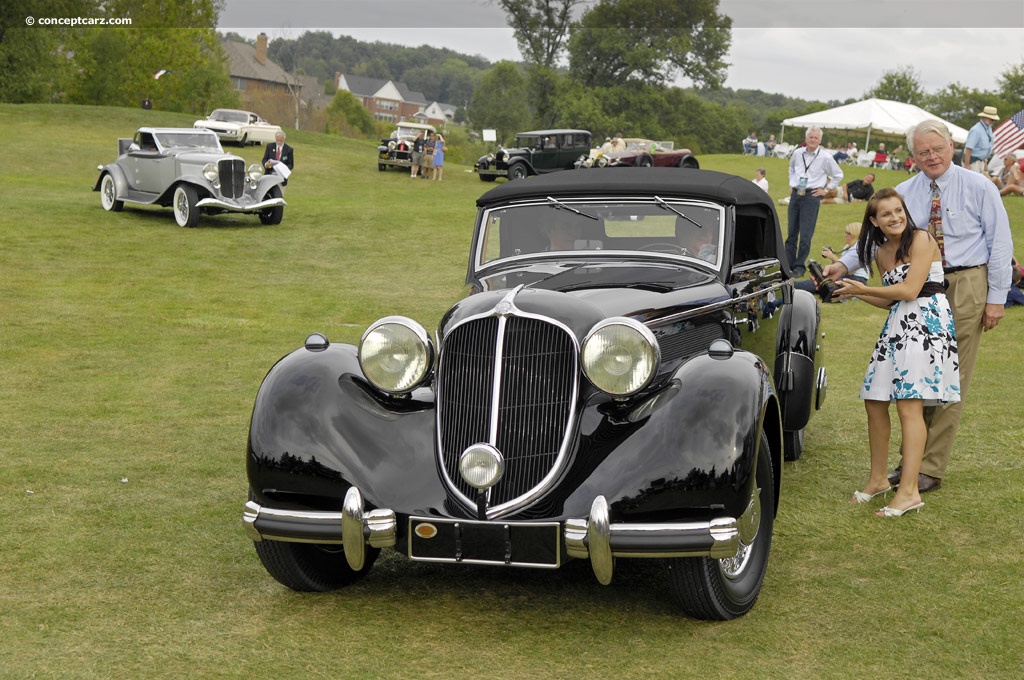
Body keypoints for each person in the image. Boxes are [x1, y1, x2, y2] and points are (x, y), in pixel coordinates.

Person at [825, 119, 1014, 493]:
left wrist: (995, 299)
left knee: (949, 380)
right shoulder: (905, 192)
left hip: (967, 282)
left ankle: (928, 467)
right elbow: (875, 236)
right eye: (923, 152)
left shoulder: (979, 186)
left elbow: (1001, 244)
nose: (932, 157)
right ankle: (909, 465)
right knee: (914, 377)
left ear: (951, 147)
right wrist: (844, 265)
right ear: (913, 156)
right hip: (920, 286)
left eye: (937, 149)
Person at [835, 189, 959, 517]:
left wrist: (864, 287)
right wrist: (854, 292)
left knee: (908, 406)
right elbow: (890, 299)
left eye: (898, 210)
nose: (895, 217)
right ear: (874, 221)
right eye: (886, 214)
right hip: (899, 323)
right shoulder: (881, 253)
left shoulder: (920, 239)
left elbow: (910, 290)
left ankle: (908, 491)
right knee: (874, 400)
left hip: (928, 323)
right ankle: (878, 480)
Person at [785, 126, 843, 277]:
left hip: (811, 197)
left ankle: (799, 266)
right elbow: (791, 169)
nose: (813, 140)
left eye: (816, 138)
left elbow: (838, 175)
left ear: (820, 140)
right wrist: (792, 183)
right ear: (806, 139)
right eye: (810, 137)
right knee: (791, 232)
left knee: (805, 235)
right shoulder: (798, 153)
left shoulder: (825, 157)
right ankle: (787, 263)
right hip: (796, 194)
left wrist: (826, 190)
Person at [795, 222, 869, 296]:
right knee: (823, 280)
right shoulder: (847, 247)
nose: (845, 235)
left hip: (857, 279)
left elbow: (851, 271)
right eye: (845, 233)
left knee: (828, 284)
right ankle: (796, 286)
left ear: (855, 235)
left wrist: (832, 256)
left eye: (848, 233)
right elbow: (839, 269)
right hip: (846, 277)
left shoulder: (860, 249)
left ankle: (795, 286)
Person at [963, 106, 999, 172]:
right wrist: (966, 164)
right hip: (972, 162)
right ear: (985, 117)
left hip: (981, 162)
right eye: (992, 119)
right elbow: (969, 148)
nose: (993, 121)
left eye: (994, 120)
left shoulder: (989, 129)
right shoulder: (976, 130)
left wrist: (985, 161)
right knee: (974, 181)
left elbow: (986, 149)